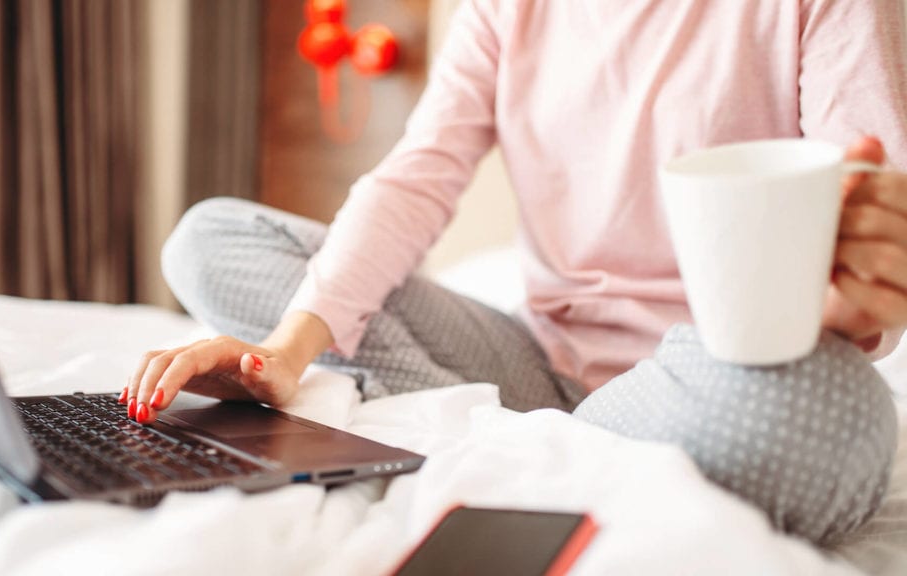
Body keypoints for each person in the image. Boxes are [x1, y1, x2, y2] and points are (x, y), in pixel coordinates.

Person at [124, 0, 907, 545]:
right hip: (537, 364)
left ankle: (513, 446)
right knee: (210, 239)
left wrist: (849, 294)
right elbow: (414, 178)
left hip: (706, 369)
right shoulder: (506, 7)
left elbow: (866, 214)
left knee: (844, 414)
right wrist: (286, 355)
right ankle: (539, 446)